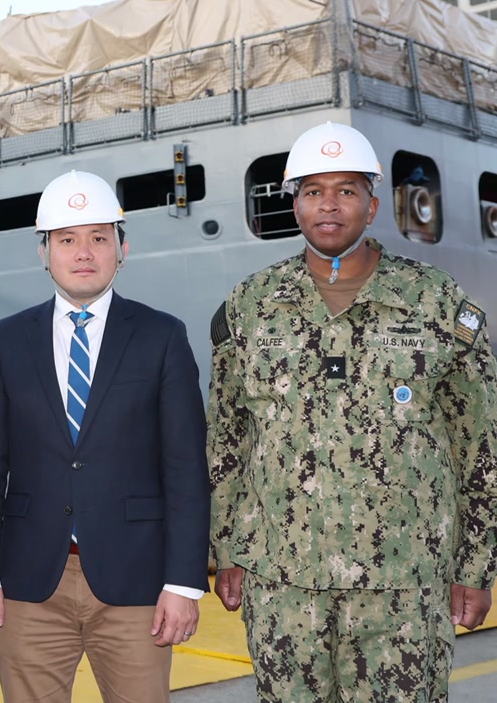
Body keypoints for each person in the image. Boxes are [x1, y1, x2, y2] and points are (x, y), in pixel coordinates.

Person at [208, 121, 497, 702]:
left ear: (372, 204)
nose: (329, 206)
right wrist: (227, 550)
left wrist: (476, 564)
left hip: (404, 585)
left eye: (346, 190)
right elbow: (227, 441)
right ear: (294, 204)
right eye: (313, 191)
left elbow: (481, 445)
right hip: (283, 584)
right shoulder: (252, 306)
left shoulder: (436, 302)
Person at [0, 170, 210, 702]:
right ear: (44, 252)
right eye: (67, 239)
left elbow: (185, 468)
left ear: (121, 249)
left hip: (137, 585)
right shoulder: (9, 340)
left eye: (98, 238)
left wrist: (182, 583)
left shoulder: (161, 336)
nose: (84, 252)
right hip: (30, 583)